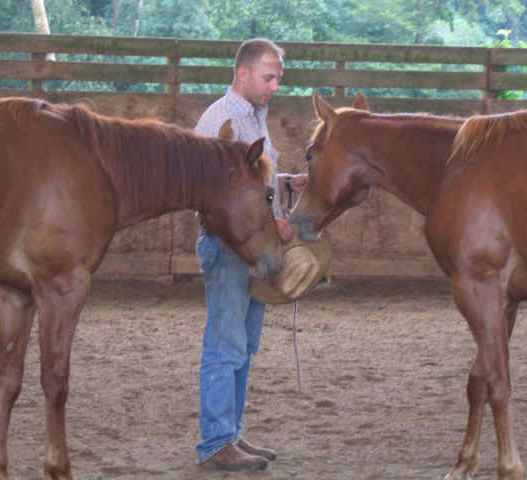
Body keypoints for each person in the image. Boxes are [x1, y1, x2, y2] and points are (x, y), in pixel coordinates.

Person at [193, 38, 307, 471]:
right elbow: (210, 193)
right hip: (230, 248)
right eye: (269, 77)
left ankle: (230, 435)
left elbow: (252, 185)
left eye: (277, 78)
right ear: (243, 73)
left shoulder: (252, 118)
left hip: (250, 249)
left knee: (243, 345)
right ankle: (217, 441)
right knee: (226, 345)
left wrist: (289, 181)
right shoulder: (222, 120)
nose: (275, 86)